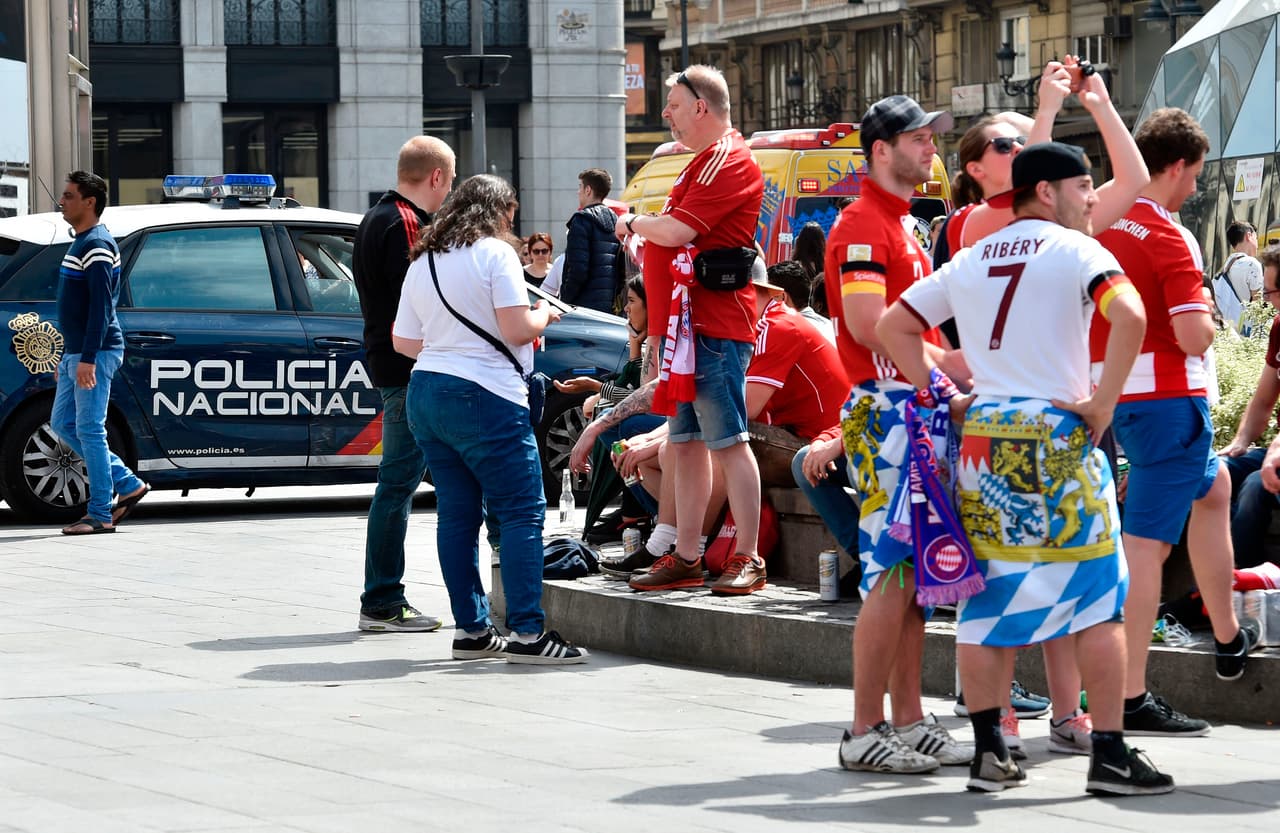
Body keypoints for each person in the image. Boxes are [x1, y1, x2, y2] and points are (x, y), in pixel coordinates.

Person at [878, 140, 1174, 797]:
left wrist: (946, 395)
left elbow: (893, 325)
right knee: (1100, 600)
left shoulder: (973, 256)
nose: (1093, 198)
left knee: (987, 602)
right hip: (1060, 436)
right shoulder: (1079, 250)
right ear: (1047, 190)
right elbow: (1130, 313)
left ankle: (990, 753)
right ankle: (1109, 753)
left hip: (987, 440)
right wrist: (1102, 401)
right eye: (1084, 185)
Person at [1094, 108, 1259, 736]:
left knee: (1214, 489)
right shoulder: (1166, 235)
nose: (1195, 188)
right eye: (1194, 175)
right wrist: (1211, 321)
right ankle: (1129, 697)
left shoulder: (1103, 223)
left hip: (1123, 399)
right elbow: (1193, 335)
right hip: (1169, 401)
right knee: (1145, 551)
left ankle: (1224, 636)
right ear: (1180, 166)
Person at [823, 94, 973, 774]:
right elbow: (863, 322)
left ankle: (908, 718)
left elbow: (908, 329)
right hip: (889, 411)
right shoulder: (863, 225)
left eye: (933, 139)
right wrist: (941, 374)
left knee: (913, 575)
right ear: (880, 151)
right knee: (891, 573)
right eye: (919, 139)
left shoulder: (899, 223)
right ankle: (862, 727)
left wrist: (944, 367)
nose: (932, 150)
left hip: (908, 407)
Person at [392, 174, 587, 665]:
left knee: (456, 515)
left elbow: (404, 342)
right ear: (499, 213)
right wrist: (543, 314)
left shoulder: (424, 260)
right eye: (511, 216)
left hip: (427, 391)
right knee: (522, 510)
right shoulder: (496, 254)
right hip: (485, 394)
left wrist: (453, 345)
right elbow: (517, 328)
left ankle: (473, 630)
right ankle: (527, 634)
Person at [614, 65, 766, 596]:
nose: (665, 115)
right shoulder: (701, 162)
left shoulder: (724, 159)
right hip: (687, 327)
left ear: (701, 106)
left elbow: (676, 230)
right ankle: (685, 556)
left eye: (673, 105)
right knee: (686, 443)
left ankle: (748, 555)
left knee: (727, 441)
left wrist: (633, 221)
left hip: (713, 325)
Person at [351, 135, 456, 633]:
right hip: (410, 369)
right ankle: (383, 600)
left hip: (392, 365)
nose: (449, 193)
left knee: (398, 483)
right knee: (397, 483)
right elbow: (422, 302)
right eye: (449, 182)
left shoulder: (375, 217)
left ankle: (383, 598)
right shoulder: (407, 223)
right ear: (436, 176)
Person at [52, 170, 149, 535]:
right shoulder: (82, 241)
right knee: (64, 423)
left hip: (95, 351)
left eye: (69, 195)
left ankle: (100, 513)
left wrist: (89, 358)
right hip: (76, 352)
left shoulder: (96, 245)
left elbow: (101, 308)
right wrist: (69, 355)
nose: (62, 201)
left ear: (89, 202)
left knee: (90, 429)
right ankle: (127, 484)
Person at [560, 168, 623, 312]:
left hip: (582, 307)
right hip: (608, 306)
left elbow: (578, 270)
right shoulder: (615, 220)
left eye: (580, 187)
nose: (578, 192)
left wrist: (564, 301)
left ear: (588, 190)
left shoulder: (581, 220)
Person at [767, 259, 835, 343]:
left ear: (782, 297)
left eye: (766, 295)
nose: (764, 302)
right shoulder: (830, 327)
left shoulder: (786, 330)